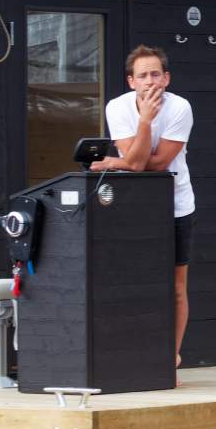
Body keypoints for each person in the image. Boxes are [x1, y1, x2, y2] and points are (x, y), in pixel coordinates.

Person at [90, 44, 194, 376]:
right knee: (134, 280)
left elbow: (155, 163)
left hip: (176, 204)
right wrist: (143, 123)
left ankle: (171, 357)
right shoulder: (117, 107)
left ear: (166, 78)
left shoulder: (180, 108)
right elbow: (135, 162)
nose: (149, 81)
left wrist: (113, 161)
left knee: (176, 286)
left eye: (155, 74)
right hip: (132, 206)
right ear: (131, 81)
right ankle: (133, 354)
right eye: (142, 75)